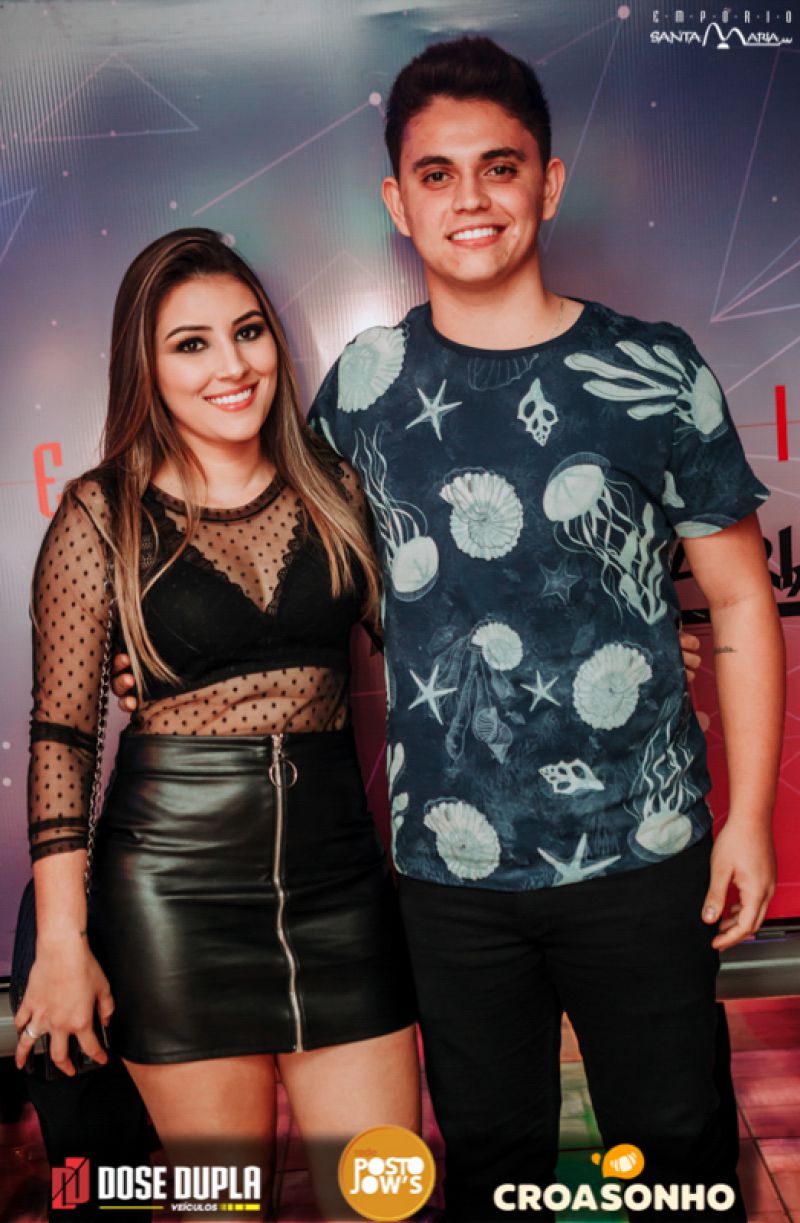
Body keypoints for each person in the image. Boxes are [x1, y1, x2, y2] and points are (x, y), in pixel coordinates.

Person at [109, 37, 782, 1222]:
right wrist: (165, 654)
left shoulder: (652, 368)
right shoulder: (363, 387)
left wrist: (748, 819)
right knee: (484, 1165)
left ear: (547, 183)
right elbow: (285, 563)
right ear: (396, 201)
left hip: (644, 852)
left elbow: (735, 597)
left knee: (679, 1164)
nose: (469, 198)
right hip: (445, 874)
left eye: (497, 166)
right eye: (436, 173)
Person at [15, 228, 418, 1222]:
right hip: (173, 900)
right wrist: (63, 940)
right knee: (223, 1209)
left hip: (339, 886)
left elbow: (434, 646)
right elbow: (63, 741)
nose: (231, 365)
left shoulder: (338, 487)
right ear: (145, 366)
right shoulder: (99, 516)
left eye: (247, 331)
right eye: (190, 343)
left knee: (385, 1202)